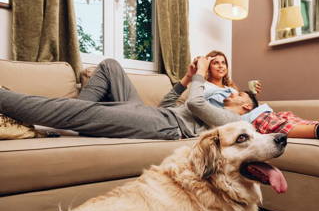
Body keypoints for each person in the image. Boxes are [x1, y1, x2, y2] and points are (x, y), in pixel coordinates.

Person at [0, 57, 256, 140]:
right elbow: (167, 105)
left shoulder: (231, 120)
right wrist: (188, 79)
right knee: (111, 65)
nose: (233, 92)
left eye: (239, 94)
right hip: (156, 114)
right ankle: (62, 121)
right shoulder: (216, 107)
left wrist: (201, 73)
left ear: (245, 105)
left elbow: (194, 103)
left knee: (79, 112)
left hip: (164, 126)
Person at [199, 50, 319, 141]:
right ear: (208, 66)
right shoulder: (205, 87)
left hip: (251, 114)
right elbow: (203, 105)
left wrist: (252, 95)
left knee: (284, 115)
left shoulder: (231, 87)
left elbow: (244, 104)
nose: (221, 66)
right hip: (236, 122)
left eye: (223, 62)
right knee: (266, 120)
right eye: (215, 62)